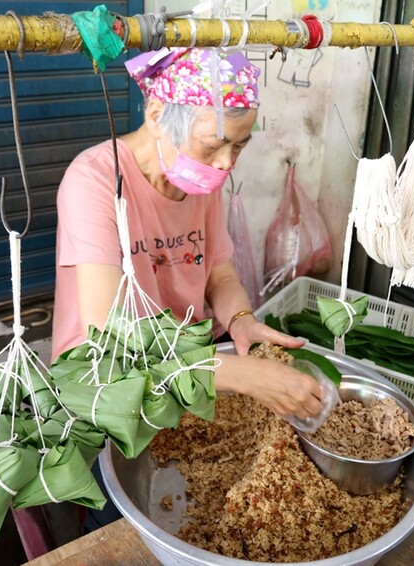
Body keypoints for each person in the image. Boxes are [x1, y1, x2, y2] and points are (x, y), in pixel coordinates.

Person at [51, 48, 325, 530]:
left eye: (238, 147)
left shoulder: (203, 181)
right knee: (125, 526)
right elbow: (111, 340)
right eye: (213, 145)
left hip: (187, 370)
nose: (225, 164)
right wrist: (241, 375)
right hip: (109, 388)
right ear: (157, 115)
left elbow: (218, 274)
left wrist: (243, 323)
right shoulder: (92, 180)